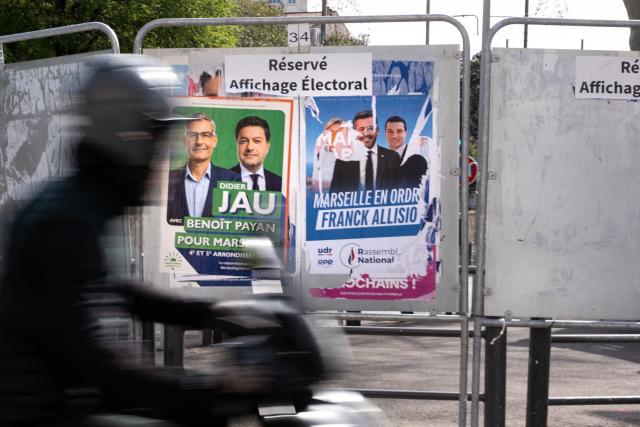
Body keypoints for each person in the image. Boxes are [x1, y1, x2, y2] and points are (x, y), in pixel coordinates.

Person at [0, 55, 323, 427]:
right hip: (43, 411)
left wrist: (219, 312)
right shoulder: (66, 223)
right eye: (156, 142)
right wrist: (219, 390)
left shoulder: (83, 203)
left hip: (66, 399)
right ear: (129, 137)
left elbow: (119, 293)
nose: (159, 159)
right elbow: (96, 363)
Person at [166, 113, 240, 225]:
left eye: (205, 135)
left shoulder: (232, 180)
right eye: (192, 135)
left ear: (214, 141)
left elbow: (235, 225)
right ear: (184, 140)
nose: (199, 141)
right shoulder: (168, 180)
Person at [329, 110, 400, 193]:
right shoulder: (343, 159)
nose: (366, 133)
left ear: (377, 131)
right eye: (361, 129)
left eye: (370, 128)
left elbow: (400, 191)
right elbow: (333, 195)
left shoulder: (393, 157)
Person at [231, 116, 282, 192]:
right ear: (237, 145)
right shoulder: (222, 180)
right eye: (244, 141)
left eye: (257, 141)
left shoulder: (280, 183)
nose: (250, 147)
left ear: (267, 147)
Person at [385, 115, 428, 188]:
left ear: (406, 133)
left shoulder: (417, 160)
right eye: (390, 131)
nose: (394, 136)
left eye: (399, 131)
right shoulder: (379, 158)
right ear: (385, 133)